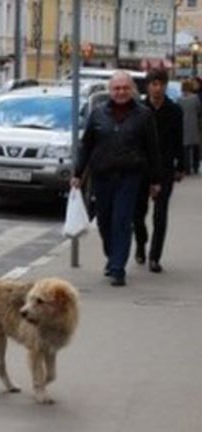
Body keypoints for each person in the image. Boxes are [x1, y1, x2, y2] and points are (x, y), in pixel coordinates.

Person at [72, 71, 161, 287]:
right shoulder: (98, 114)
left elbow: (153, 149)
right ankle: (113, 256)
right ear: (110, 91)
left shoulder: (143, 115)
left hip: (130, 177)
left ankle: (118, 268)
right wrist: (77, 174)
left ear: (131, 90)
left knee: (121, 220)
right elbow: (86, 146)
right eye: (116, 88)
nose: (120, 92)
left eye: (124, 88)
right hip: (102, 177)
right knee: (104, 222)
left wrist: (155, 180)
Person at [134, 69, 185, 274]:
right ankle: (141, 242)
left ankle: (155, 257)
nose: (158, 88)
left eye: (161, 84)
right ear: (148, 86)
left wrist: (181, 166)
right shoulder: (139, 108)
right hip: (141, 167)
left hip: (164, 167)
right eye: (154, 84)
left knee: (160, 213)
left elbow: (178, 139)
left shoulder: (174, 110)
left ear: (165, 85)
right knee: (138, 213)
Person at [179, 79, 201, 175]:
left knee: (185, 148)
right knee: (195, 146)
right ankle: (195, 166)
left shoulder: (179, 99)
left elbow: (177, 112)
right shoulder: (195, 98)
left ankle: (187, 168)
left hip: (183, 124)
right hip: (193, 124)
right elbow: (199, 110)